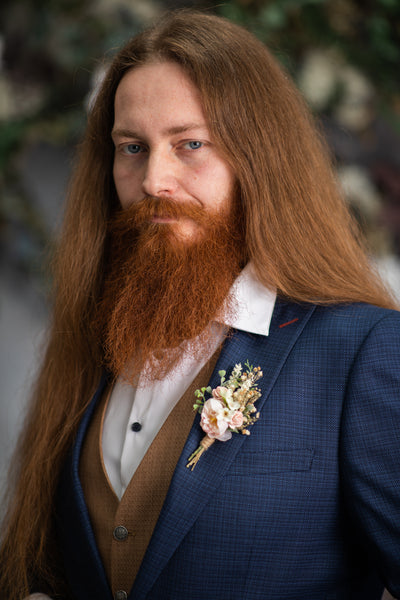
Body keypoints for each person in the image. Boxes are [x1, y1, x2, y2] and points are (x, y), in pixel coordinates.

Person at [1, 9, 400, 600]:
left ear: (259, 161)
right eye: (132, 147)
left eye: (190, 144)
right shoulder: (100, 338)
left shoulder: (362, 350)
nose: (154, 179)